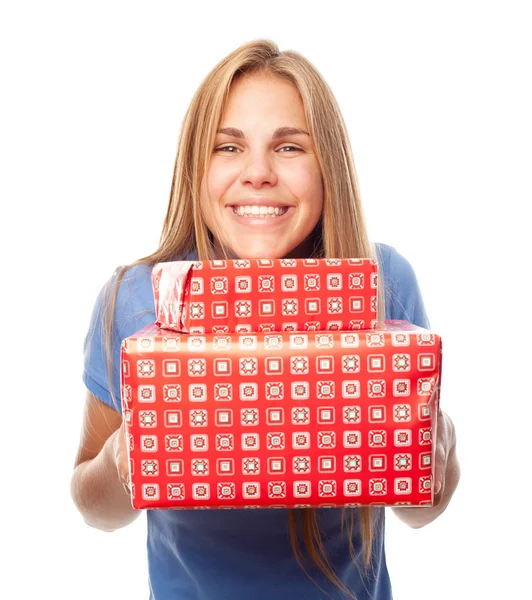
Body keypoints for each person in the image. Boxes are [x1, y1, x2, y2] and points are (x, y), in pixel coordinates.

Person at [71, 39, 460, 600]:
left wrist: (436, 448)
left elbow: (419, 512)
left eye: (289, 147)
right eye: (228, 147)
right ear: (195, 168)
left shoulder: (381, 282)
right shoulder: (134, 299)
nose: (257, 173)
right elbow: (94, 508)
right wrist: (127, 457)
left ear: (328, 166)